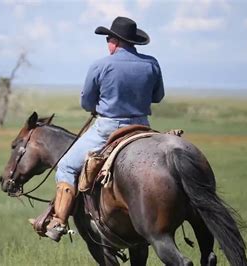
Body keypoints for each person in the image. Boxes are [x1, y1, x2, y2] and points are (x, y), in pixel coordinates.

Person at [40, 16, 165, 242]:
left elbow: (86, 103)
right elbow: (158, 96)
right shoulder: (151, 63)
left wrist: (102, 104)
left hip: (109, 128)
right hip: (142, 126)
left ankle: (58, 223)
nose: (107, 42)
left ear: (115, 41)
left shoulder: (101, 65)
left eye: (108, 38)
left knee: (67, 166)